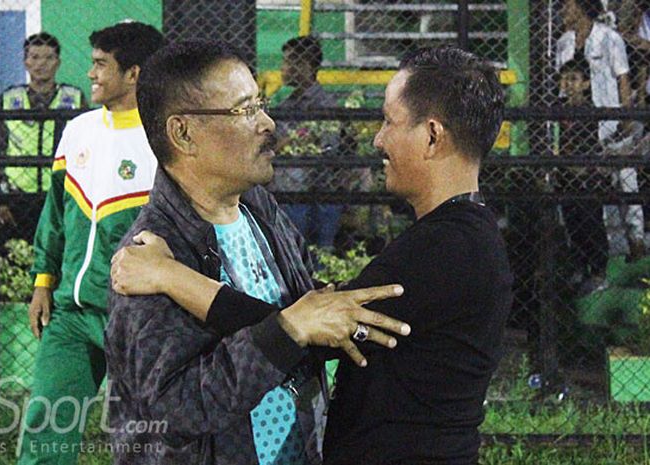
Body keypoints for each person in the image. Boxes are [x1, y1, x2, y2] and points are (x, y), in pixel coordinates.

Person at [111, 46, 514, 464]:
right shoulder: (148, 253)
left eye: (389, 122)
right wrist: (294, 324)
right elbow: (173, 410)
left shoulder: (444, 248)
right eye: (245, 110)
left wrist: (177, 279)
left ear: (432, 136)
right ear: (183, 133)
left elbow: (313, 331)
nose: (268, 123)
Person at [17, 22, 163, 465]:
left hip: (135, 317)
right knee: (46, 427)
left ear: (134, 74)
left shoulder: (165, 140)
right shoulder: (78, 129)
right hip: (69, 313)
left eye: (101, 64)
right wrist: (44, 280)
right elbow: (55, 214)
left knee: (148, 439)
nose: (91, 73)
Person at [556, 0, 646, 260]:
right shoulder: (564, 43)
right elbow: (564, 84)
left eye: (568, 6)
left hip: (610, 122)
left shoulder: (609, 38)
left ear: (583, 8)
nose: (564, 11)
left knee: (626, 180)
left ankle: (636, 240)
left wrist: (625, 115)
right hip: (580, 128)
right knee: (595, 187)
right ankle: (606, 252)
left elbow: (622, 77)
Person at [0, 32, 86, 243]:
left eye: (48, 58)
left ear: (58, 63)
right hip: (16, 196)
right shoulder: (10, 98)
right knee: (14, 259)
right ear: (25, 62)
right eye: (35, 57)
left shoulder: (74, 98)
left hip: (61, 194)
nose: (41, 64)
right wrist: (0, 200)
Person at [271, 35, 343, 249]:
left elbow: (330, 146)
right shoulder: (286, 105)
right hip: (291, 192)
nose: (283, 68)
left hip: (317, 193)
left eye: (289, 61)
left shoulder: (325, 104)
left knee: (319, 254)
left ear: (305, 65)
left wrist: (290, 142)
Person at [557, 55, 610, 289]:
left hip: (586, 177)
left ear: (586, 83)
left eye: (574, 79)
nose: (568, 84)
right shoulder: (557, 110)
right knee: (572, 223)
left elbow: (588, 144)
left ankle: (598, 271)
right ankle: (579, 266)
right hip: (566, 177)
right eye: (565, 79)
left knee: (591, 222)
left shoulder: (589, 111)